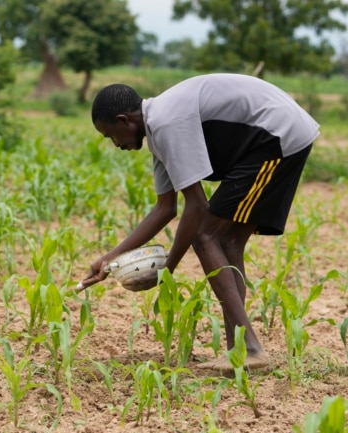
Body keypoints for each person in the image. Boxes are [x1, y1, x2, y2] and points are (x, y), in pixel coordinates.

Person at [78, 73, 319, 373]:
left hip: (275, 134)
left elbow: (196, 205)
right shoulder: (158, 130)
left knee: (204, 236)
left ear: (124, 119)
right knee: (226, 241)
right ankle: (239, 351)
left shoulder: (166, 122)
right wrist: (108, 259)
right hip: (267, 137)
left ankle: (252, 349)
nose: (115, 143)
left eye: (110, 135)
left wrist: (168, 268)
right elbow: (164, 209)